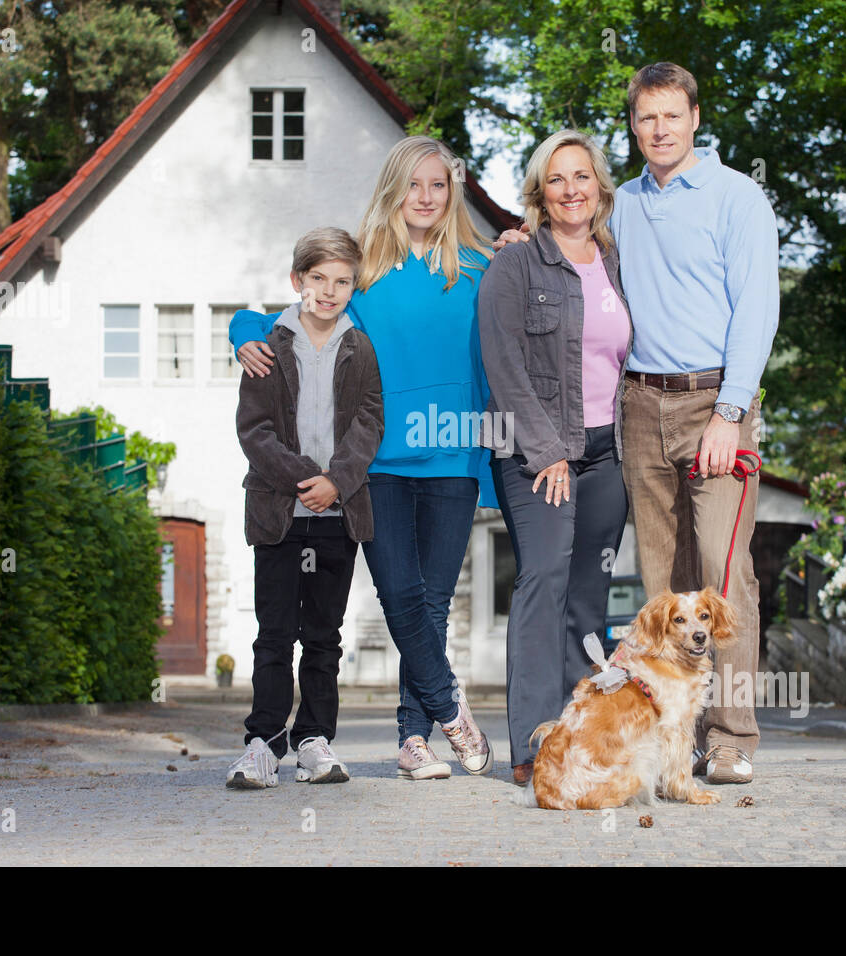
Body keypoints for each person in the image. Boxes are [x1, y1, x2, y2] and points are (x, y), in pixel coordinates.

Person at [494, 62, 779, 785]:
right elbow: (566, 244)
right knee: (662, 591)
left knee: (720, 577)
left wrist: (730, 412)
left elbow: (758, 311)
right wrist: (513, 245)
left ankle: (732, 737)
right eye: (646, 117)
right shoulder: (620, 209)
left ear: (694, 117)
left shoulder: (737, 199)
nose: (659, 129)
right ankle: (670, 737)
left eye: (671, 115)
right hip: (639, 409)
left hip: (715, 404)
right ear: (632, 125)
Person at [230, 137, 495, 781]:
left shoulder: (481, 269)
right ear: (393, 192)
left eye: (438, 185)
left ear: (451, 191)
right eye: (413, 185)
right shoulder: (366, 271)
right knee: (400, 593)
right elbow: (279, 315)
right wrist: (242, 332)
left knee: (433, 602)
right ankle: (450, 708)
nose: (426, 197)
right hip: (375, 464)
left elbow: (504, 351)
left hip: (454, 455)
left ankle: (413, 738)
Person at [477, 130, 632, 785]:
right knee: (544, 580)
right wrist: (548, 452)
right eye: (557, 179)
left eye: (582, 176)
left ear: (600, 185)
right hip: (534, 451)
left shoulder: (618, 259)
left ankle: (583, 736)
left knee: (588, 596)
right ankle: (534, 745)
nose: (571, 189)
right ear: (540, 192)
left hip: (609, 453)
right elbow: (502, 362)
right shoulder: (515, 265)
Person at [228, 227, 384, 789]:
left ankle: (314, 740)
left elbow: (370, 422)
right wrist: (306, 480)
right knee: (274, 634)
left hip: (335, 517)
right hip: (279, 515)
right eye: (318, 278)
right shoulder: (268, 344)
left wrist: (337, 484)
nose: (329, 290)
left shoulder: (359, 348)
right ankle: (262, 743)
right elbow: (255, 431)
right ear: (298, 280)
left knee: (323, 635)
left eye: (342, 281)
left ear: (353, 287)